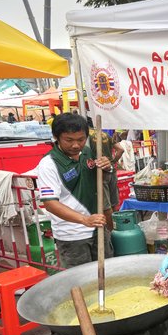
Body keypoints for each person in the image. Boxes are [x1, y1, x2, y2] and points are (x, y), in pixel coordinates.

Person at [37, 113, 114, 268]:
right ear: (56, 137)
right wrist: (84, 220)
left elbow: (103, 180)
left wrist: (107, 167)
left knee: (108, 274)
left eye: (81, 139)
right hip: (72, 236)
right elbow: (50, 203)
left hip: (98, 228)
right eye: (69, 140)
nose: (76, 145)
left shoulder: (88, 152)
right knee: (80, 281)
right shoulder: (49, 164)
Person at [88, 120, 125, 230]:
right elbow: (121, 149)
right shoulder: (104, 134)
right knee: (114, 204)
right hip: (111, 170)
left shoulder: (86, 138)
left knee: (106, 207)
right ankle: (119, 229)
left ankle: (111, 233)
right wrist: (113, 162)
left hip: (99, 172)